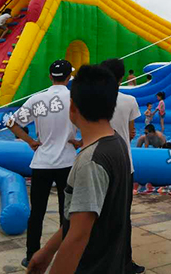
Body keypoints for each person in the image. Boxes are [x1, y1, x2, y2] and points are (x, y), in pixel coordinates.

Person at [27, 64, 131, 274]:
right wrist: (47, 251)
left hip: (92, 266)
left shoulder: (90, 161)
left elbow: (78, 235)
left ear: (72, 107)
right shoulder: (116, 142)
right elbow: (78, 216)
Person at [7, 60, 78, 269]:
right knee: (67, 212)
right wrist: (80, 142)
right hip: (67, 162)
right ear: (68, 77)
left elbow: (12, 123)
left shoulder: (37, 99)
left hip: (42, 162)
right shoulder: (75, 99)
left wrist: (30, 141)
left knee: (37, 212)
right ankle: (66, 255)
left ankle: (31, 255)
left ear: (50, 76)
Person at [101, 58, 145, 274]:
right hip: (124, 164)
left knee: (98, 215)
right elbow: (132, 131)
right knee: (122, 216)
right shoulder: (129, 100)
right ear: (121, 78)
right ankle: (125, 263)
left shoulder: (93, 100)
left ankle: (100, 261)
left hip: (98, 163)